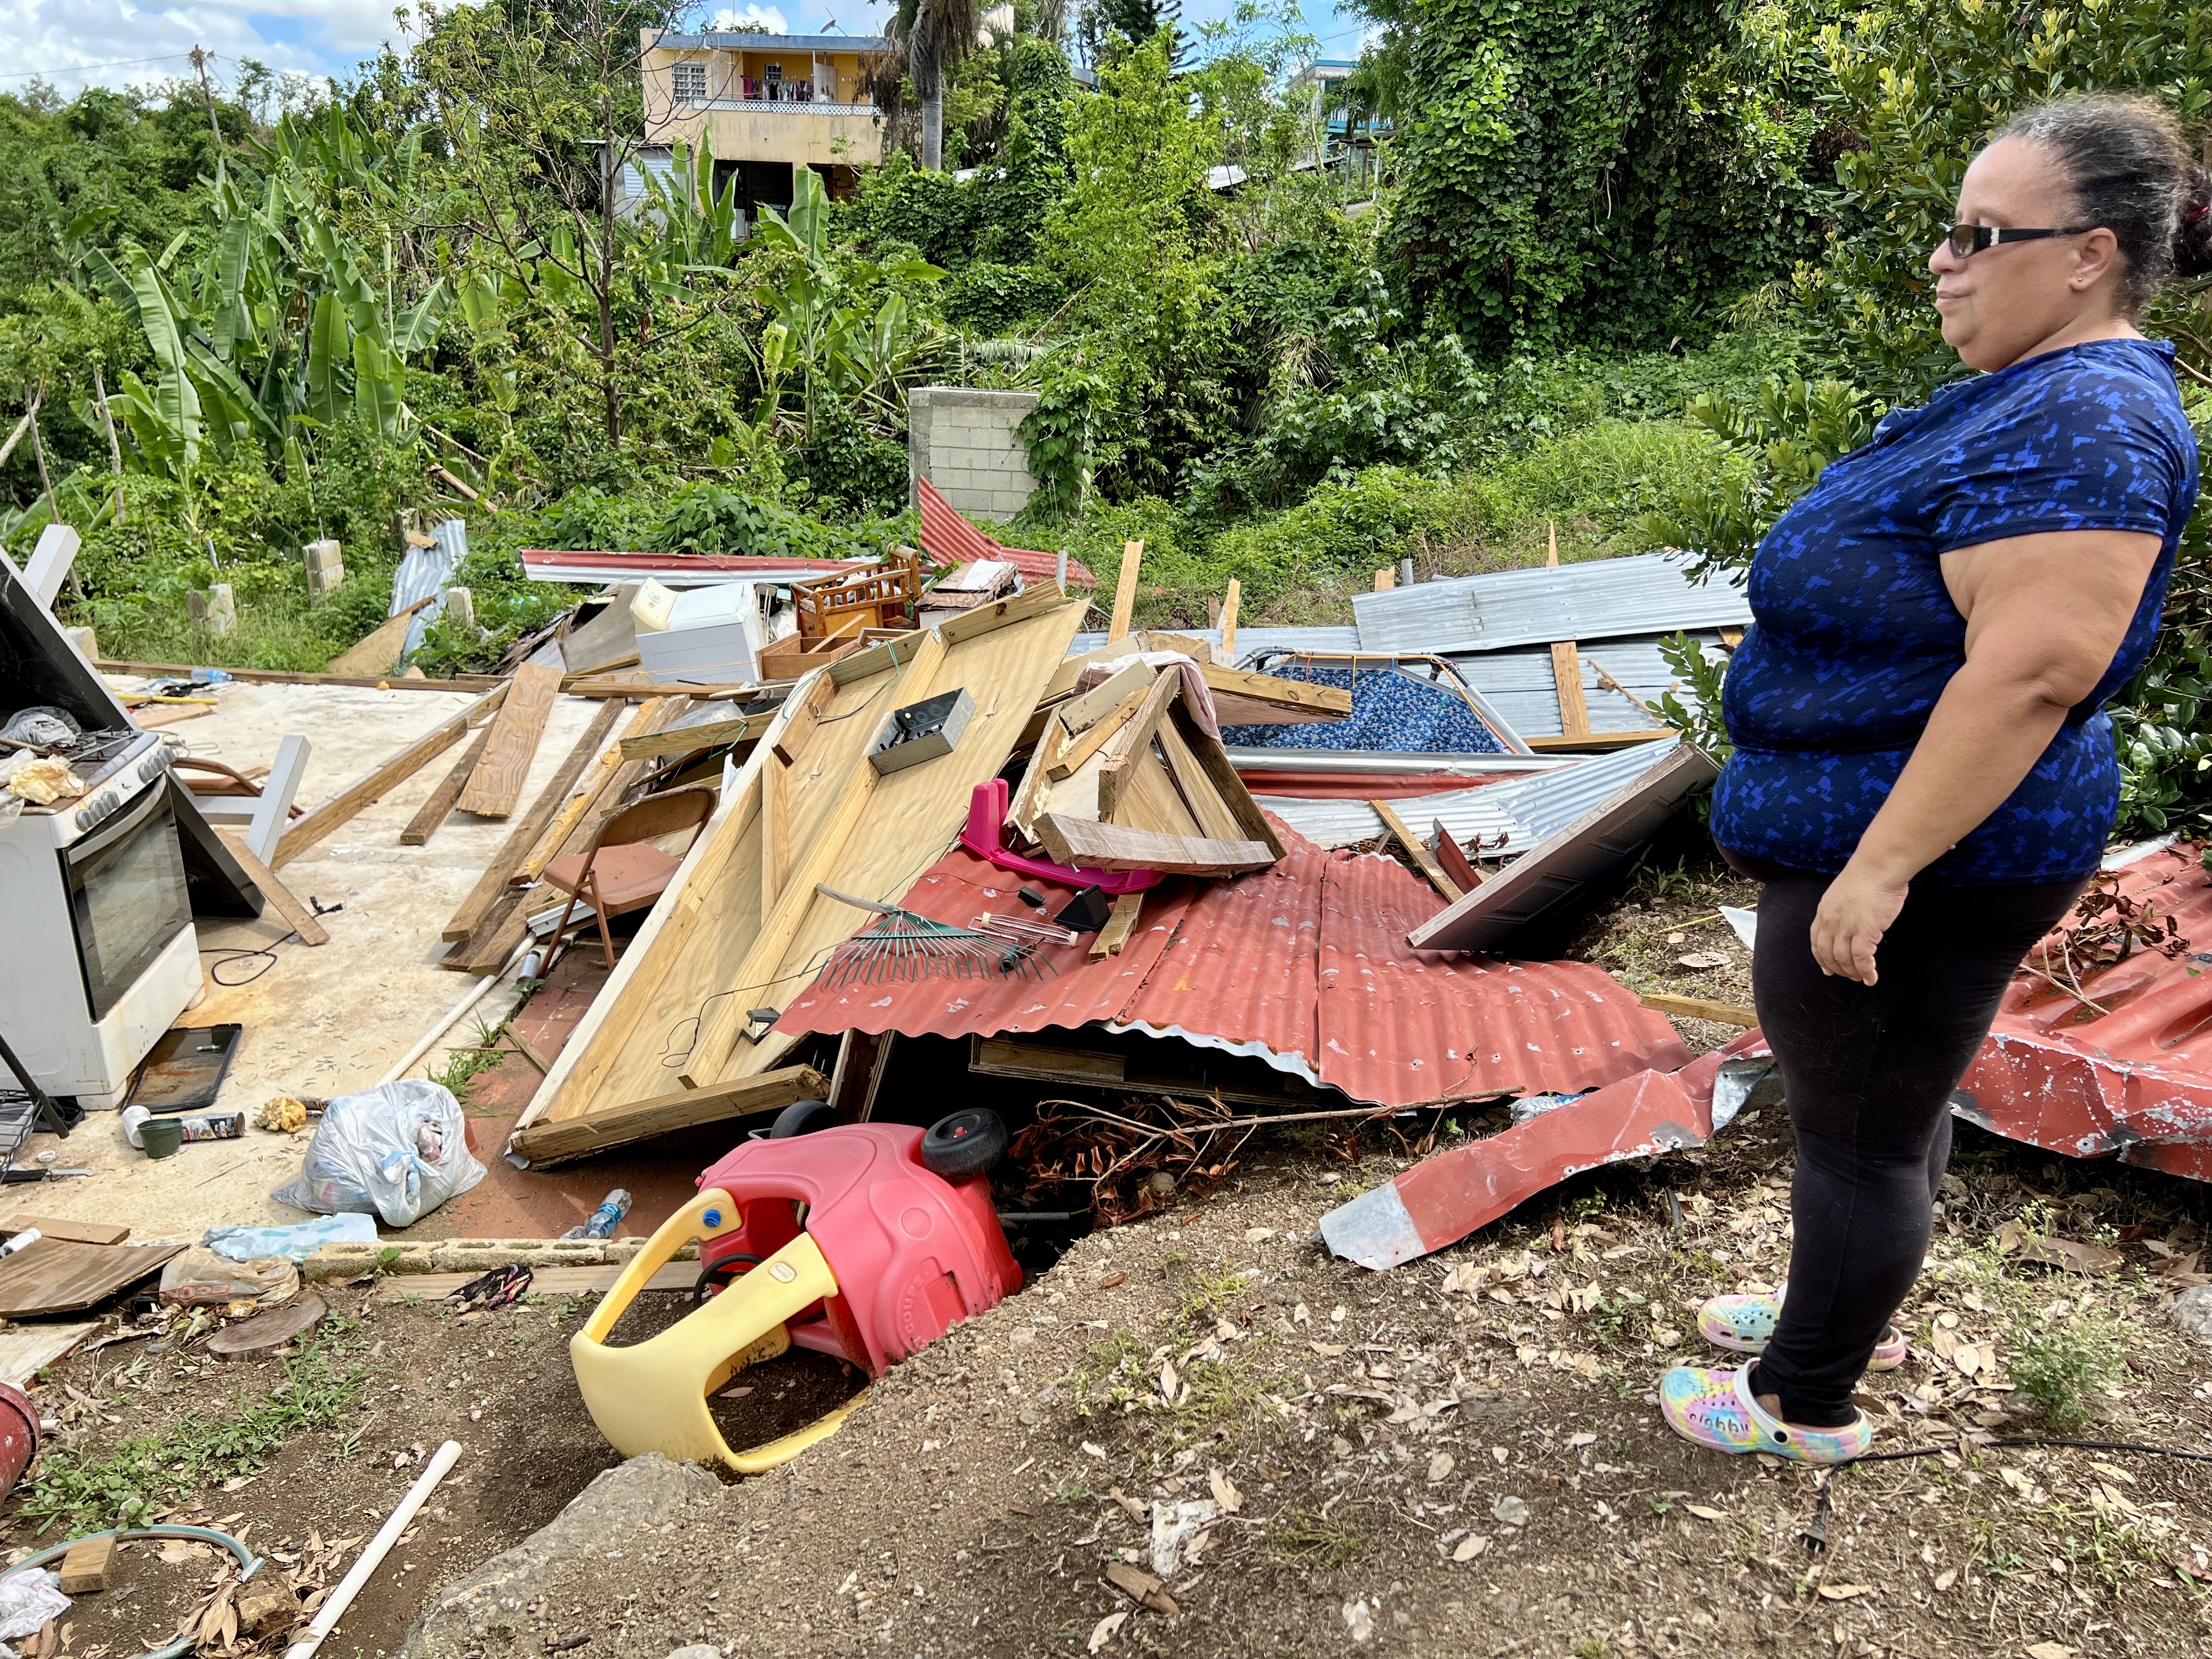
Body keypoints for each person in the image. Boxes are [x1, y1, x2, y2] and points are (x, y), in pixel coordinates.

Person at [1658, 94, 2209, 1462]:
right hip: (1905, 833)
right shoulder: (2040, 387)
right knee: (1885, 1108)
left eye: (1980, 233)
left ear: (2087, 253)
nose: (1944, 261)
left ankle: (1803, 1399)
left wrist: (1881, 868)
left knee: (1860, 1135)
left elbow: (2031, 673)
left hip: (1933, 853)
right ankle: (1843, 1310)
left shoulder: (2087, 419)